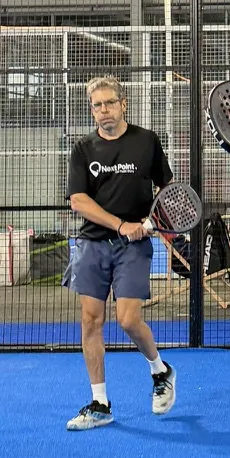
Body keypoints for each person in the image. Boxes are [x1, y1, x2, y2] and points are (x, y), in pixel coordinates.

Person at [63, 75, 177, 430]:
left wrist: (154, 220)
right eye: (97, 105)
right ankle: (100, 404)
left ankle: (160, 371)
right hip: (92, 244)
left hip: (134, 246)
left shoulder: (147, 141)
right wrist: (120, 224)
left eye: (109, 102)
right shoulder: (83, 149)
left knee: (127, 319)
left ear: (123, 104)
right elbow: (78, 200)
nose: (103, 110)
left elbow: (168, 188)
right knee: (90, 320)